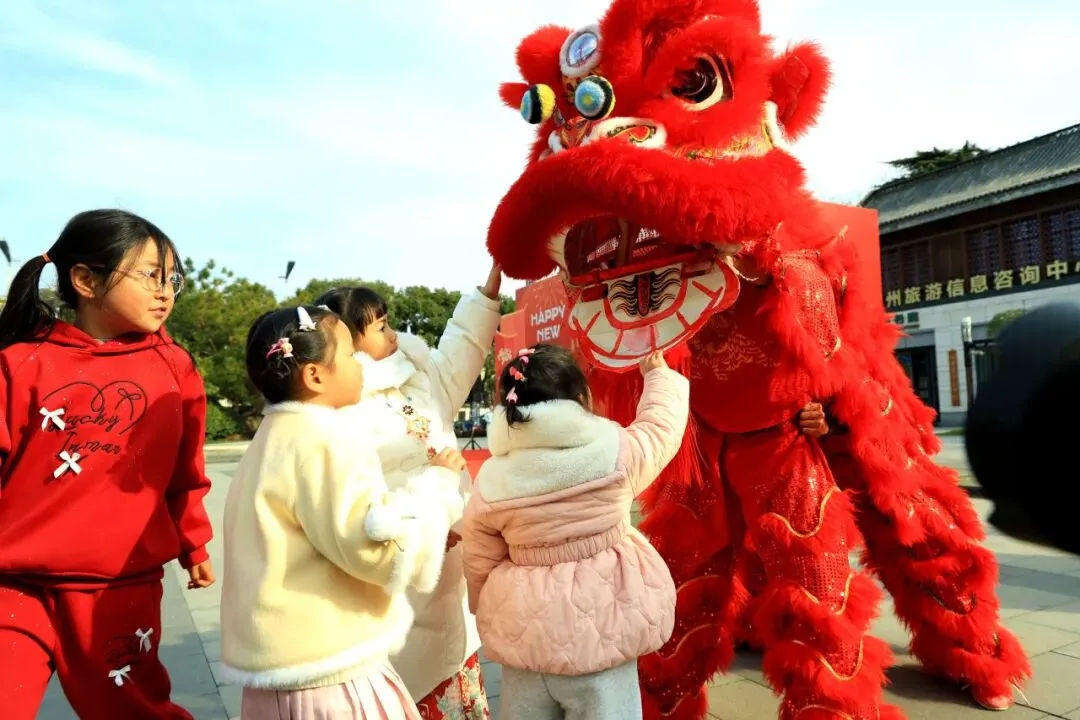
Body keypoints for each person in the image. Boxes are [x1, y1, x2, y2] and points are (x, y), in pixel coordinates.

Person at [0, 209, 214, 720]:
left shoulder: (174, 368)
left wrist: (194, 542)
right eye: (150, 275)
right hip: (13, 586)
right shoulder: (20, 362)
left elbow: (185, 471)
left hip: (120, 588)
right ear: (85, 280)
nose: (165, 292)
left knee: (135, 712)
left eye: (172, 279)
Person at [219, 305, 467, 720]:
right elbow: (377, 549)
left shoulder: (271, 437)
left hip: (278, 672)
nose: (361, 365)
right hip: (331, 676)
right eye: (351, 355)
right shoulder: (326, 438)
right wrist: (438, 488)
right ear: (315, 375)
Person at [463, 344, 689, 720]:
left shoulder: (492, 478)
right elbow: (660, 428)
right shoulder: (616, 452)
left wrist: (483, 603)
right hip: (605, 625)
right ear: (581, 397)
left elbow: (478, 555)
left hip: (528, 635)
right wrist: (657, 374)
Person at [316, 264, 502, 718]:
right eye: (380, 328)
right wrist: (430, 508)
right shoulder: (339, 409)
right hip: (403, 561)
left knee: (456, 650)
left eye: (388, 322)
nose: (392, 333)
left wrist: (488, 291)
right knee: (409, 671)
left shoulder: (418, 372)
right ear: (347, 341)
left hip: (451, 561)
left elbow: (461, 347)